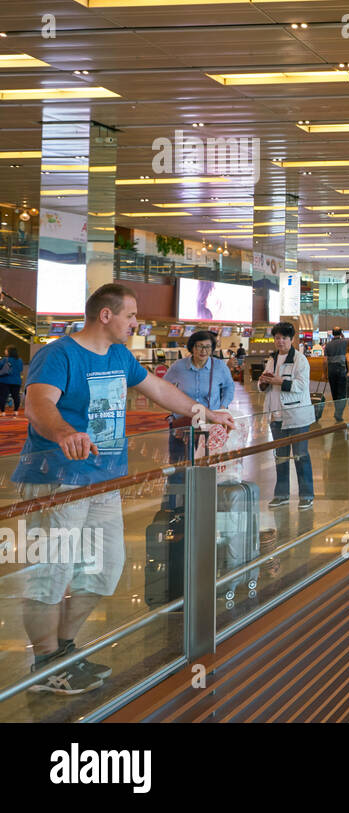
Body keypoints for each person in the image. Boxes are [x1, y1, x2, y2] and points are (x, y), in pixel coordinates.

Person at [15, 283, 234, 695]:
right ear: (106, 316)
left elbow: (157, 389)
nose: (137, 323)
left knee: (106, 569)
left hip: (104, 480)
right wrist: (65, 433)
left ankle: (63, 650)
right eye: (131, 316)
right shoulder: (59, 354)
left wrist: (203, 411)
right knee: (53, 573)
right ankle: (45, 665)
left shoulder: (118, 355)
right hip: (59, 477)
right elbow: (38, 403)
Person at [161, 329, 236, 504]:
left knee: (206, 465)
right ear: (192, 348)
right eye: (200, 347)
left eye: (208, 347)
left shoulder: (219, 367)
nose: (204, 351)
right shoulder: (178, 367)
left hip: (209, 426)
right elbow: (164, 387)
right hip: (183, 425)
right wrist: (173, 406)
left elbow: (229, 386)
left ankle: (202, 504)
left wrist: (223, 407)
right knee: (179, 466)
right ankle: (174, 507)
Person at [258, 321, 315, 510]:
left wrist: (278, 381)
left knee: (301, 456)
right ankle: (281, 495)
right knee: (280, 457)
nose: (280, 341)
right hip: (276, 417)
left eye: (284, 338)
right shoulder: (271, 359)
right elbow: (264, 386)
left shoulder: (300, 360)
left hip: (297, 416)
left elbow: (301, 386)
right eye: (277, 338)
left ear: (291, 340)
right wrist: (263, 383)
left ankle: (306, 495)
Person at [323, 327, 348, 422]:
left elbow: (325, 361)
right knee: (342, 392)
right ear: (341, 333)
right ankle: (338, 412)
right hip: (342, 369)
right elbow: (348, 357)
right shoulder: (345, 342)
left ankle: (337, 411)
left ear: (332, 334)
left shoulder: (328, 345)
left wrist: (324, 373)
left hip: (331, 370)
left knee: (334, 392)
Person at [0, 345, 24, 416]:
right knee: (16, 396)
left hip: (4, 381)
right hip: (16, 381)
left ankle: (3, 412)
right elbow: (20, 369)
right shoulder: (20, 360)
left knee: (3, 396)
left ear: (9, 352)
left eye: (6, 350)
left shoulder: (4, 359)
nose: (5, 351)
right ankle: (16, 411)